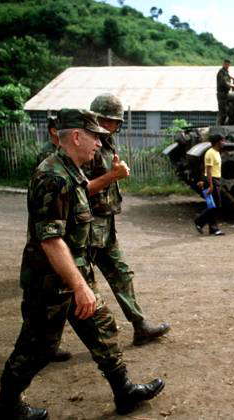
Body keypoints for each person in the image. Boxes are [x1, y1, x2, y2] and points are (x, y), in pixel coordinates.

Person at [0, 109, 164, 419]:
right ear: (76, 136)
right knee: (37, 348)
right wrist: (80, 286)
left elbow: (80, 210)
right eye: (95, 137)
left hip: (74, 274)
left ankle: (123, 391)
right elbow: (50, 240)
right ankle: (7, 407)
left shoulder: (72, 171)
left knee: (102, 330)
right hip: (50, 282)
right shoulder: (52, 176)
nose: (99, 143)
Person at [89, 93, 171, 345]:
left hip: (105, 224)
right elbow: (80, 189)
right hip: (85, 227)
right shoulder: (87, 145)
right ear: (100, 119)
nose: (117, 126)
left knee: (121, 274)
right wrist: (113, 176)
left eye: (116, 122)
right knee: (73, 288)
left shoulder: (106, 142)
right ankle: (45, 343)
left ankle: (140, 325)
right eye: (113, 121)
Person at [194, 134, 225, 236]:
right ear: (217, 142)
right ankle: (199, 221)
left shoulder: (216, 152)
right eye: (222, 141)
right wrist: (210, 185)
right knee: (214, 205)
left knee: (214, 205)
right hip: (212, 181)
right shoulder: (210, 153)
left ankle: (213, 228)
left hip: (215, 180)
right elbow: (208, 170)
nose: (223, 143)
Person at [216, 59, 234, 125]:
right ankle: (219, 128)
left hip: (226, 94)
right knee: (222, 113)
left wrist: (232, 78)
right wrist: (232, 86)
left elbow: (227, 76)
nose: (227, 66)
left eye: (228, 65)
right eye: (226, 64)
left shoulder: (225, 72)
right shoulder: (221, 72)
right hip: (222, 94)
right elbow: (224, 83)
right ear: (223, 64)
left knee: (229, 112)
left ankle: (224, 127)